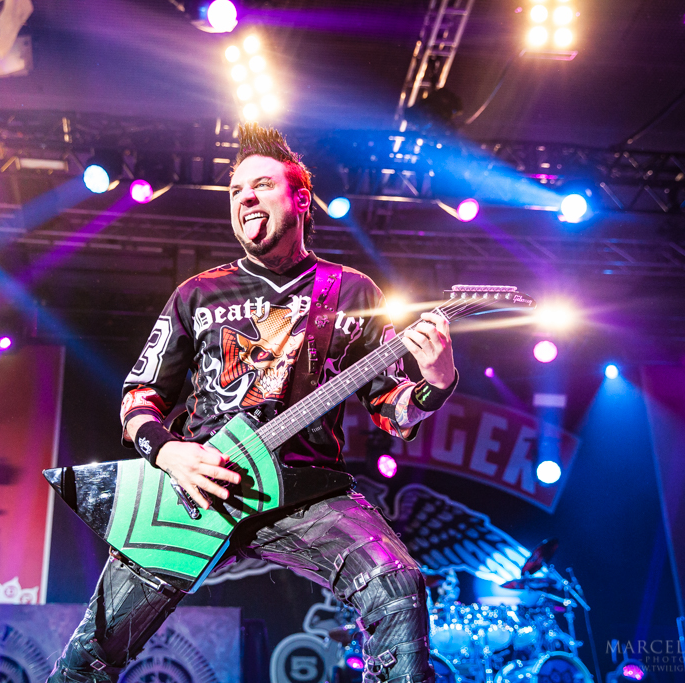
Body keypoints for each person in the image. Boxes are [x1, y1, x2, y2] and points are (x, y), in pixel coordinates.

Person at [49, 124, 459, 683]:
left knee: (396, 585)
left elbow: (391, 407)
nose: (245, 198)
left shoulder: (352, 291)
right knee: (88, 658)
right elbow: (139, 398)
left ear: (301, 200)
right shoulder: (197, 293)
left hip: (306, 492)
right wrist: (170, 454)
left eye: (262, 185)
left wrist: (436, 381)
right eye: (236, 190)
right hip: (200, 490)